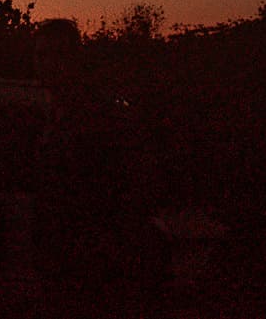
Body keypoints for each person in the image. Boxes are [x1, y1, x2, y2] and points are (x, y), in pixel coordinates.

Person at [32, 18, 169, 317]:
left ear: (73, 58)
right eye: (40, 55)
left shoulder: (97, 117)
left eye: (55, 54)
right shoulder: (55, 115)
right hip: (64, 261)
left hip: (94, 266)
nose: (46, 63)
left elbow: (133, 186)